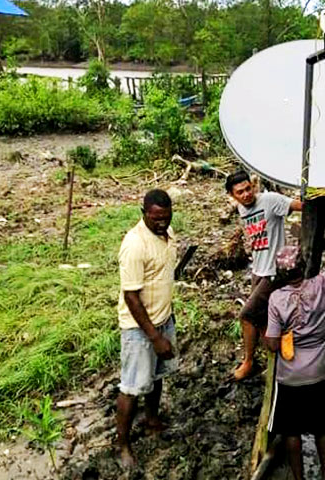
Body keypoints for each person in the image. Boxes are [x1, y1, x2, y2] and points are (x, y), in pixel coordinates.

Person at [264, 200, 325, 480]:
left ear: (280, 274)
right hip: (321, 372)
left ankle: (299, 478)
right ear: (304, 265)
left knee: (291, 430)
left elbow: (272, 345)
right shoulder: (323, 283)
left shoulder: (276, 299)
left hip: (291, 376)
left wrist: (280, 334)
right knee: (321, 427)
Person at [116, 189, 178, 468]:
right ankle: (124, 446)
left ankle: (152, 420)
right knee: (132, 387)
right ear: (144, 214)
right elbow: (131, 296)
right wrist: (154, 337)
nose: (162, 223)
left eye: (166, 217)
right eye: (156, 218)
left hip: (164, 319)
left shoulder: (168, 233)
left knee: (157, 375)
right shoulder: (134, 244)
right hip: (140, 329)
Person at [226, 170, 303, 380]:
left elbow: (299, 206)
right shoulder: (242, 208)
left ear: (254, 186)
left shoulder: (270, 200)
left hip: (275, 272)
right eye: (239, 192)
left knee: (247, 315)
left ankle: (249, 361)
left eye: (248, 189)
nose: (246, 195)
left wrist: (315, 196)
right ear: (232, 196)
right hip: (258, 270)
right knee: (262, 320)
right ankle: (276, 357)